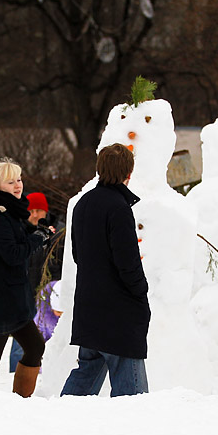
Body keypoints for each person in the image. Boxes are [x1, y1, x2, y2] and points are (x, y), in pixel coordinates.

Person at [61, 143, 150, 397]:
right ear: (128, 173)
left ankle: (60, 421)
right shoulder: (119, 208)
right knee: (132, 396)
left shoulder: (82, 205)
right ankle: (130, 433)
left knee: (86, 373)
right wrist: (141, 291)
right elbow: (127, 263)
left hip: (89, 307)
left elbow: (78, 255)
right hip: (118, 314)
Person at [0, 159, 53, 397]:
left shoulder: (11, 213)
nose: (18, 185)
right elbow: (13, 254)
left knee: (35, 348)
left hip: (13, 299)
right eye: (10, 181)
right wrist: (37, 238)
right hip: (0, 299)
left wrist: (40, 232)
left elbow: (21, 240)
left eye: (19, 179)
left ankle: (20, 400)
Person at [8, 191, 61, 372]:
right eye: (31, 211)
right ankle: (15, 379)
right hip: (24, 298)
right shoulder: (18, 233)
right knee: (19, 346)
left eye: (39, 210)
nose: (35, 215)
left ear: (46, 212)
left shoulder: (58, 234)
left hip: (49, 300)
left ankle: (46, 380)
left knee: (51, 343)